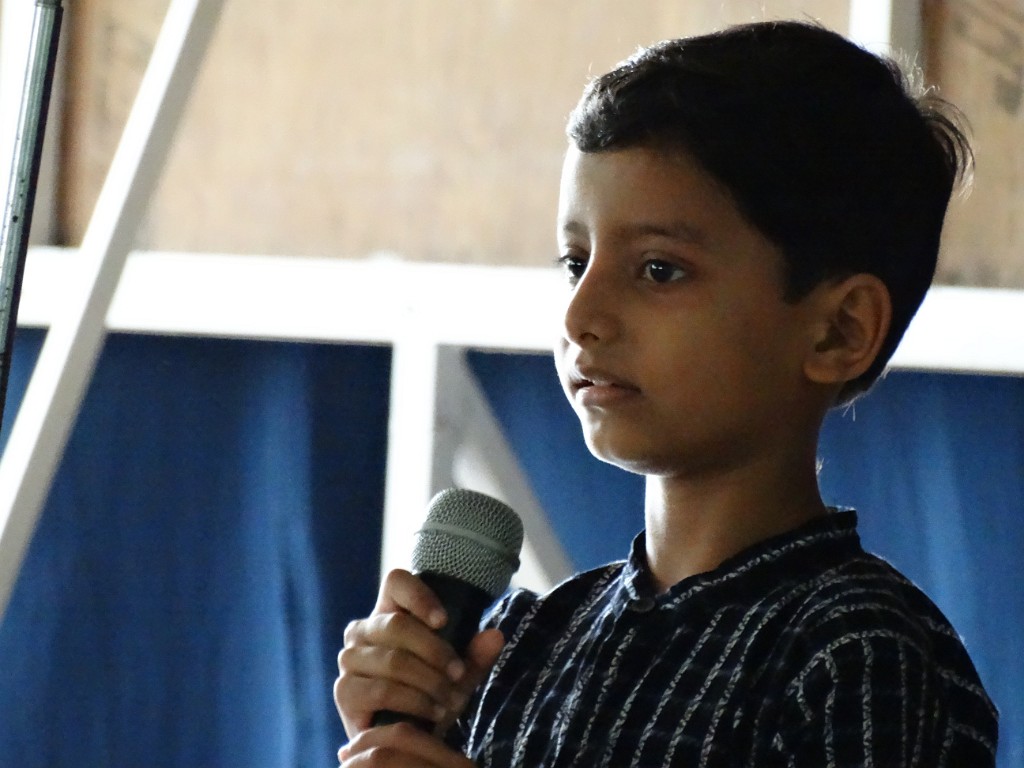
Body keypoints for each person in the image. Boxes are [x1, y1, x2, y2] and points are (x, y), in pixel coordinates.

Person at [334, 20, 999, 767]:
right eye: (575, 262)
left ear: (837, 332)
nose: (581, 316)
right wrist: (407, 733)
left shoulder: (857, 654)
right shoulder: (532, 641)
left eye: (658, 270)